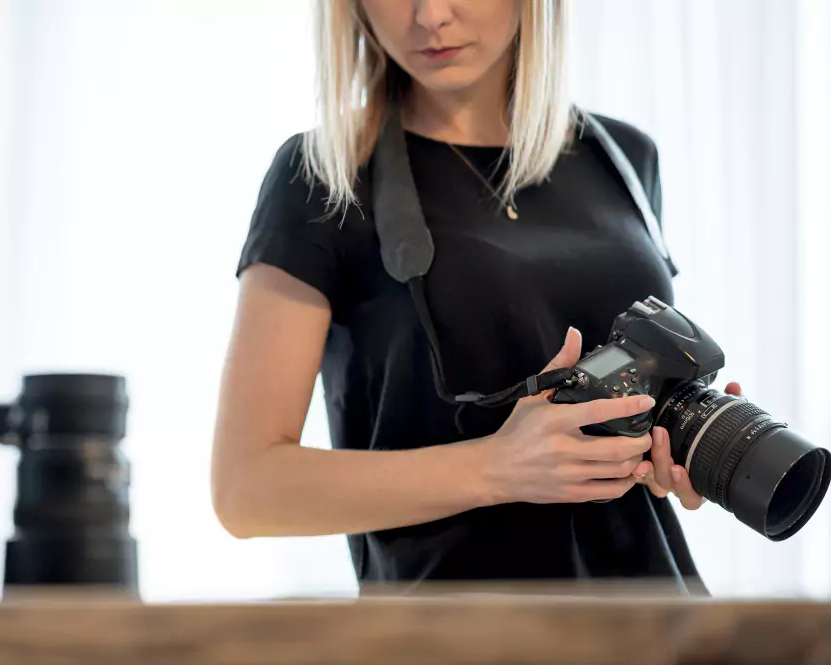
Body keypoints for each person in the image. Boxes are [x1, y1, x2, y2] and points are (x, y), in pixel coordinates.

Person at [211, 0, 743, 593]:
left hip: (656, 623)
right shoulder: (321, 176)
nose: (430, 15)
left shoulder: (623, 156)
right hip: (453, 638)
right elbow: (246, 489)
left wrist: (661, 455)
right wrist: (499, 468)